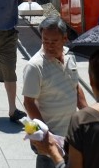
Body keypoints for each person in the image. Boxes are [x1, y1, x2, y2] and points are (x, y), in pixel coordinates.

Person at [22, 15, 87, 167]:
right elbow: (28, 102)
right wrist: (46, 134)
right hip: (50, 138)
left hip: (71, 136)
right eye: (45, 41)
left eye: (54, 41)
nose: (49, 46)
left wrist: (89, 115)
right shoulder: (35, 66)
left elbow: (75, 87)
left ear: (65, 38)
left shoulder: (70, 55)